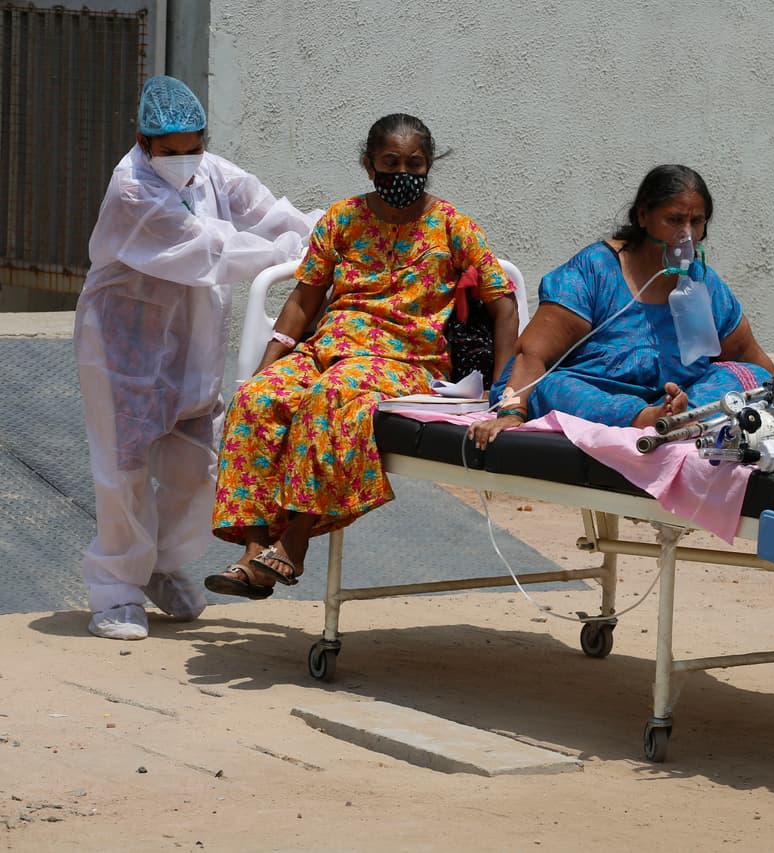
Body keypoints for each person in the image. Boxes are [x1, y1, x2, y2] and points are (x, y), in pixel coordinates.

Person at [203, 113, 517, 599]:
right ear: (369, 165)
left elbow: (504, 303)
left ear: (429, 166)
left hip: (406, 362)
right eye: (390, 163)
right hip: (328, 348)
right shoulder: (343, 219)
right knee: (259, 399)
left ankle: (294, 542)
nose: (402, 174)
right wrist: (269, 363)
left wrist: (503, 389)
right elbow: (304, 300)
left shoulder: (454, 227)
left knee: (333, 396)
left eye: (414, 164)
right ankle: (253, 551)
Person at [75, 76, 317, 640]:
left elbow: (264, 210)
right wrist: (286, 254)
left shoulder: (211, 170)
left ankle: (160, 566)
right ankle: (115, 591)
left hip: (193, 343)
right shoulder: (131, 188)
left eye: (193, 147)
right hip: (124, 348)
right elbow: (208, 249)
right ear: (144, 141)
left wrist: (320, 234)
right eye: (170, 151)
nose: (184, 161)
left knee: (200, 469)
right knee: (124, 471)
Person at [468, 165, 774, 449]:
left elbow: (751, 358)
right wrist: (512, 413)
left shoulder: (701, 283)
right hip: (596, 395)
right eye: (675, 220)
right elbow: (531, 353)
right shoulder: (595, 272)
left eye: (696, 221)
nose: (687, 235)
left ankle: (679, 418)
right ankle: (647, 419)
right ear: (643, 216)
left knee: (747, 375)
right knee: (555, 386)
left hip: (676, 399)